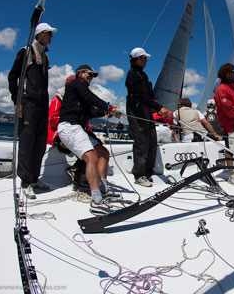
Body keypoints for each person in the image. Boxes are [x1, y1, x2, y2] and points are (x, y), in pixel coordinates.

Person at [57, 64, 122, 215]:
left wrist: (108, 112)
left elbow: (92, 111)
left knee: (103, 153)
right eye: (89, 74)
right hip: (69, 127)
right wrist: (109, 107)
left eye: (93, 76)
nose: (91, 78)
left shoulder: (81, 94)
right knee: (91, 157)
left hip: (78, 129)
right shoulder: (76, 83)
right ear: (80, 73)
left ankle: (104, 189)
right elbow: (90, 97)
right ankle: (97, 201)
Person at [8, 22, 57, 199]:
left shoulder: (46, 57)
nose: (52, 36)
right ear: (40, 34)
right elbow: (13, 76)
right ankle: (25, 181)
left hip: (42, 104)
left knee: (40, 142)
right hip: (28, 102)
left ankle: (35, 178)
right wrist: (17, 100)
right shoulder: (26, 52)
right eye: (49, 33)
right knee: (27, 141)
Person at [125, 47, 172, 187]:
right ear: (138, 58)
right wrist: (159, 108)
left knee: (152, 139)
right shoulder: (132, 75)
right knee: (141, 142)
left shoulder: (143, 75)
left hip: (146, 112)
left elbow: (149, 95)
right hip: (137, 113)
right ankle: (139, 175)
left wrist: (157, 105)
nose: (146, 61)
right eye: (144, 58)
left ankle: (148, 171)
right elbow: (141, 96)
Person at [47, 75, 88, 188]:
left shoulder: (79, 101)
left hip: (75, 132)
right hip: (59, 135)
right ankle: (77, 172)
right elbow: (53, 120)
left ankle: (77, 170)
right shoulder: (58, 99)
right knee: (86, 148)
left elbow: (84, 122)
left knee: (95, 146)